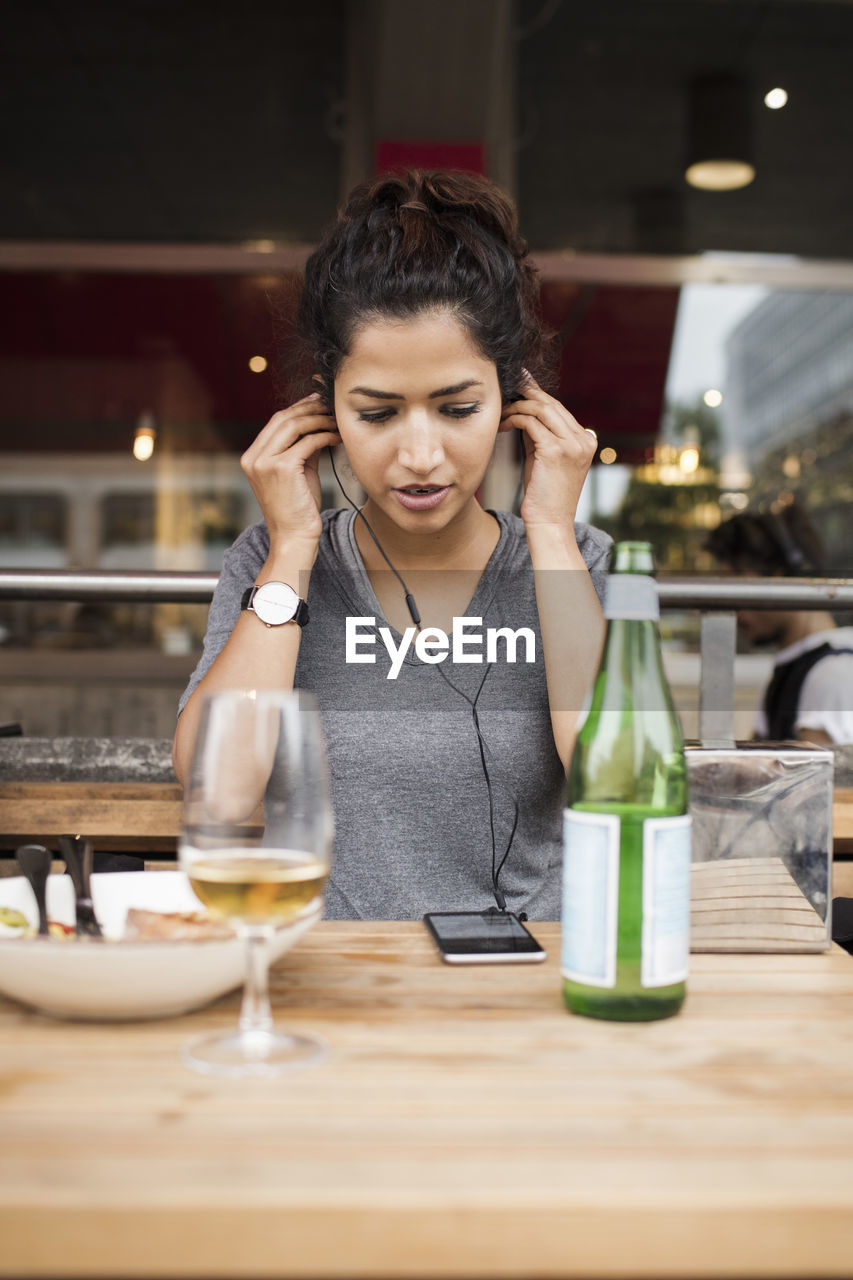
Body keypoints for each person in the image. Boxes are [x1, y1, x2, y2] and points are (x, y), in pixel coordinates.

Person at [173, 170, 612, 919]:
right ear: (326, 409)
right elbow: (222, 793)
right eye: (377, 414)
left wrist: (548, 532)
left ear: (510, 402)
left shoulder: (576, 560)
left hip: (521, 986)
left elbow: (615, 779)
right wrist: (292, 550)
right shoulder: (270, 562)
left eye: (457, 408)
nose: (419, 454)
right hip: (327, 982)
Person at [705, 503, 853, 745]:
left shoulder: (832, 676)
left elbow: (818, 781)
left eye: (740, 587)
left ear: (779, 578)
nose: (733, 606)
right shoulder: (793, 668)